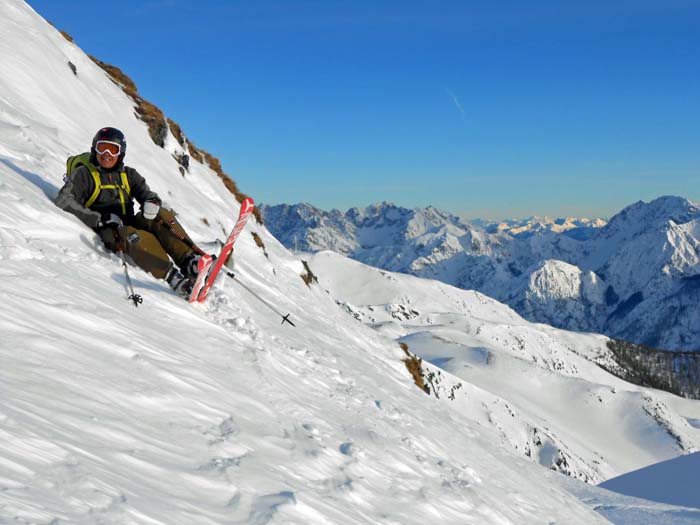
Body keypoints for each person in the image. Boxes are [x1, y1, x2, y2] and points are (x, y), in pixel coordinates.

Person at [55, 126, 200, 297]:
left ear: (120, 153)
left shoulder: (128, 174)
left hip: (129, 220)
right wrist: (98, 219)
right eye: (102, 147)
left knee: (161, 215)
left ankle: (191, 262)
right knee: (132, 235)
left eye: (113, 149)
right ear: (95, 148)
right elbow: (64, 199)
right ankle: (173, 278)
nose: (107, 153)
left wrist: (151, 202)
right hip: (110, 230)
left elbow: (146, 193)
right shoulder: (84, 175)